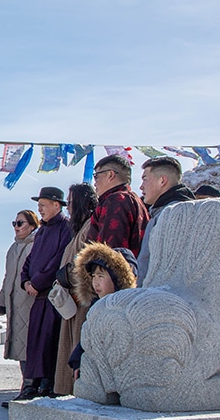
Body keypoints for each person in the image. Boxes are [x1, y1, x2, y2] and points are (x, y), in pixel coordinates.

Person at [13, 186, 72, 402]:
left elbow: (58, 259)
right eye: (39, 206)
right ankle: (31, 386)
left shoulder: (66, 228)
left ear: (57, 205)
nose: (40, 210)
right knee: (34, 342)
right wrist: (26, 280)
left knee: (48, 341)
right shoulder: (43, 231)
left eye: (43, 205)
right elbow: (30, 260)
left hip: (51, 295)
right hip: (36, 295)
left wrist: (38, 282)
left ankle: (47, 384)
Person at [52, 182, 98, 396]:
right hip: (71, 299)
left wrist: (67, 275)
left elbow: (86, 263)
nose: (68, 208)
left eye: (70, 203)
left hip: (82, 299)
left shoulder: (90, 227)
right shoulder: (79, 228)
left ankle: (78, 391)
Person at [66, 243, 139, 374]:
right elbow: (86, 340)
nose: (96, 282)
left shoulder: (131, 310)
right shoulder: (96, 307)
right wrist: (78, 362)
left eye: (101, 276)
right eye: (93, 276)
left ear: (118, 278)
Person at [135, 156, 195, 285]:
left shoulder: (173, 214)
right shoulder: (165, 212)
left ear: (162, 180)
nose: (141, 187)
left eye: (145, 179)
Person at [0, 210, 39, 405]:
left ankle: (31, 386)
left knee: (29, 343)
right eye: (14, 223)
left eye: (20, 223)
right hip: (15, 302)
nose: (16, 226)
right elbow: (8, 277)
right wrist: (3, 301)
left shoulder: (35, 246)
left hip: (29, 301)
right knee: (20, 343)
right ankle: (26, 385)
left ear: (32, 225)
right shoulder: (13, 248)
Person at [88, 154, 149, 253]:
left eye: (96, 176)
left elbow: (110, 251)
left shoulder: (115, 201)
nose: (95, 183)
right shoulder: (136, 201)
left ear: (110, 175)